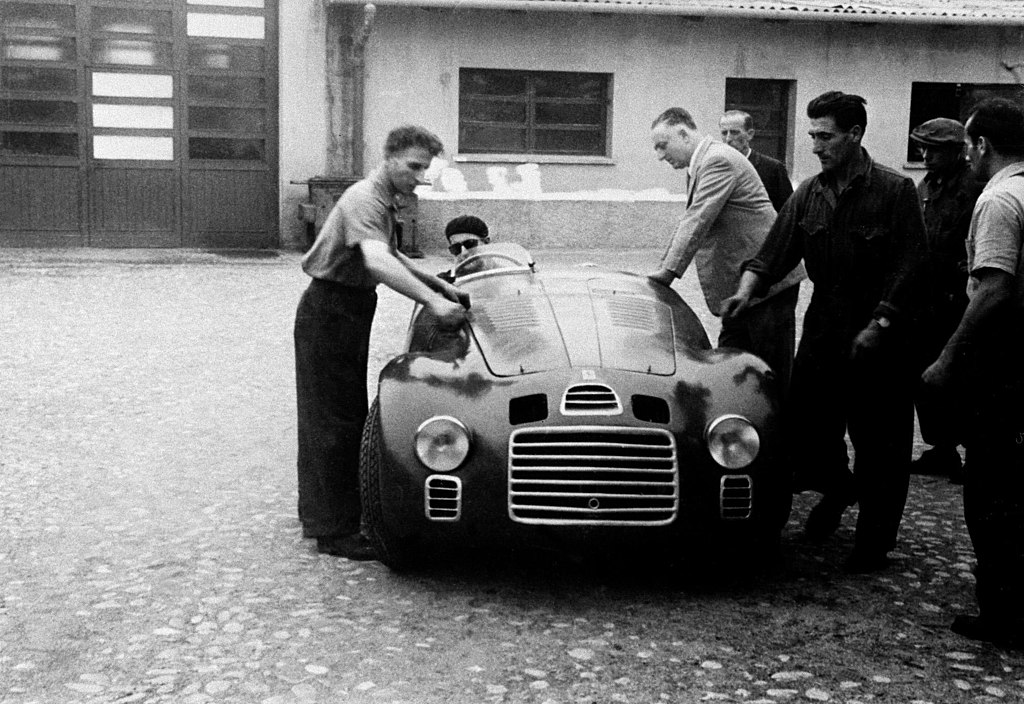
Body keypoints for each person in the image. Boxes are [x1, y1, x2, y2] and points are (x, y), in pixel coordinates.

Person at [722, 91, 928, 573]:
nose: (815, 145)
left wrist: (881, 322)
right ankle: (838, 489)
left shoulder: (894, 190)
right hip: (823, 326)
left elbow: (912, 266)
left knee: (879, 443)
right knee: (806, 426)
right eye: (812, 135)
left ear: (854, 135)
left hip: (879, 332)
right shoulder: (809, 193)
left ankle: (874, 542)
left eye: (826, 136)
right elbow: (773, 254)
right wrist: (745, 292)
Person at [294, 125, 470, 560]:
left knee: (341, 413)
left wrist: (439, 284)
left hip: (349, 307)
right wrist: (433, 302)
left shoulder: (383, 199)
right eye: (413, 167)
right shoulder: (365, 199)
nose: (419, 177)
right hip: (330, 307)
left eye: (425, 169)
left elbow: (391, 253)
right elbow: (376, 261)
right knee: (333, 420)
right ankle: (333, 532)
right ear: (389, 158)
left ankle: (324, 514)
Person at [921, 97, 1024, 648]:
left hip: (1005, 363)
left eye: (968, 144)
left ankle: (1003, 611)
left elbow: (994, 288)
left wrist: (947, 357)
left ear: (982, 146)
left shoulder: (999, 199)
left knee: (992, 489)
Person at [649, 107, 805, 395]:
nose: (660, 155)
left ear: (683, 134)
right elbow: (691, 220)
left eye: (662, 145)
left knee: (769, 372)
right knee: (731, 369)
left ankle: (779, 425)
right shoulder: (704, 162)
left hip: (766, 285)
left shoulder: (717, 160)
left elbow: (698, 218)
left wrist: (666, 274)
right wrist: (660, 270)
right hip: (743, 289)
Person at [908, 118, 982, 484]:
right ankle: (942, 449)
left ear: (956, 152)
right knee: (926, 376)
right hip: (928, 299)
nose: (926, 155)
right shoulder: (926, 186)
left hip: (960, 300)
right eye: (923, 148)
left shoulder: (976, 188)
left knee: (964, 378)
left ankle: (975, 453)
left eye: (934, 150)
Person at [720, 110, 795, 212]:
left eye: (734, 132)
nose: (728, 139)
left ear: (750, 134)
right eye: (724, 133)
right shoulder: (718, 168)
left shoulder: (772, 169)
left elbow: (788, 212)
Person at [437, 214, 491, 283]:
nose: (464, 252)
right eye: (456, 247)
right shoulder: (443, 282)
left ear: (486, 242)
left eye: (470, 244)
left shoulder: (503, 275)